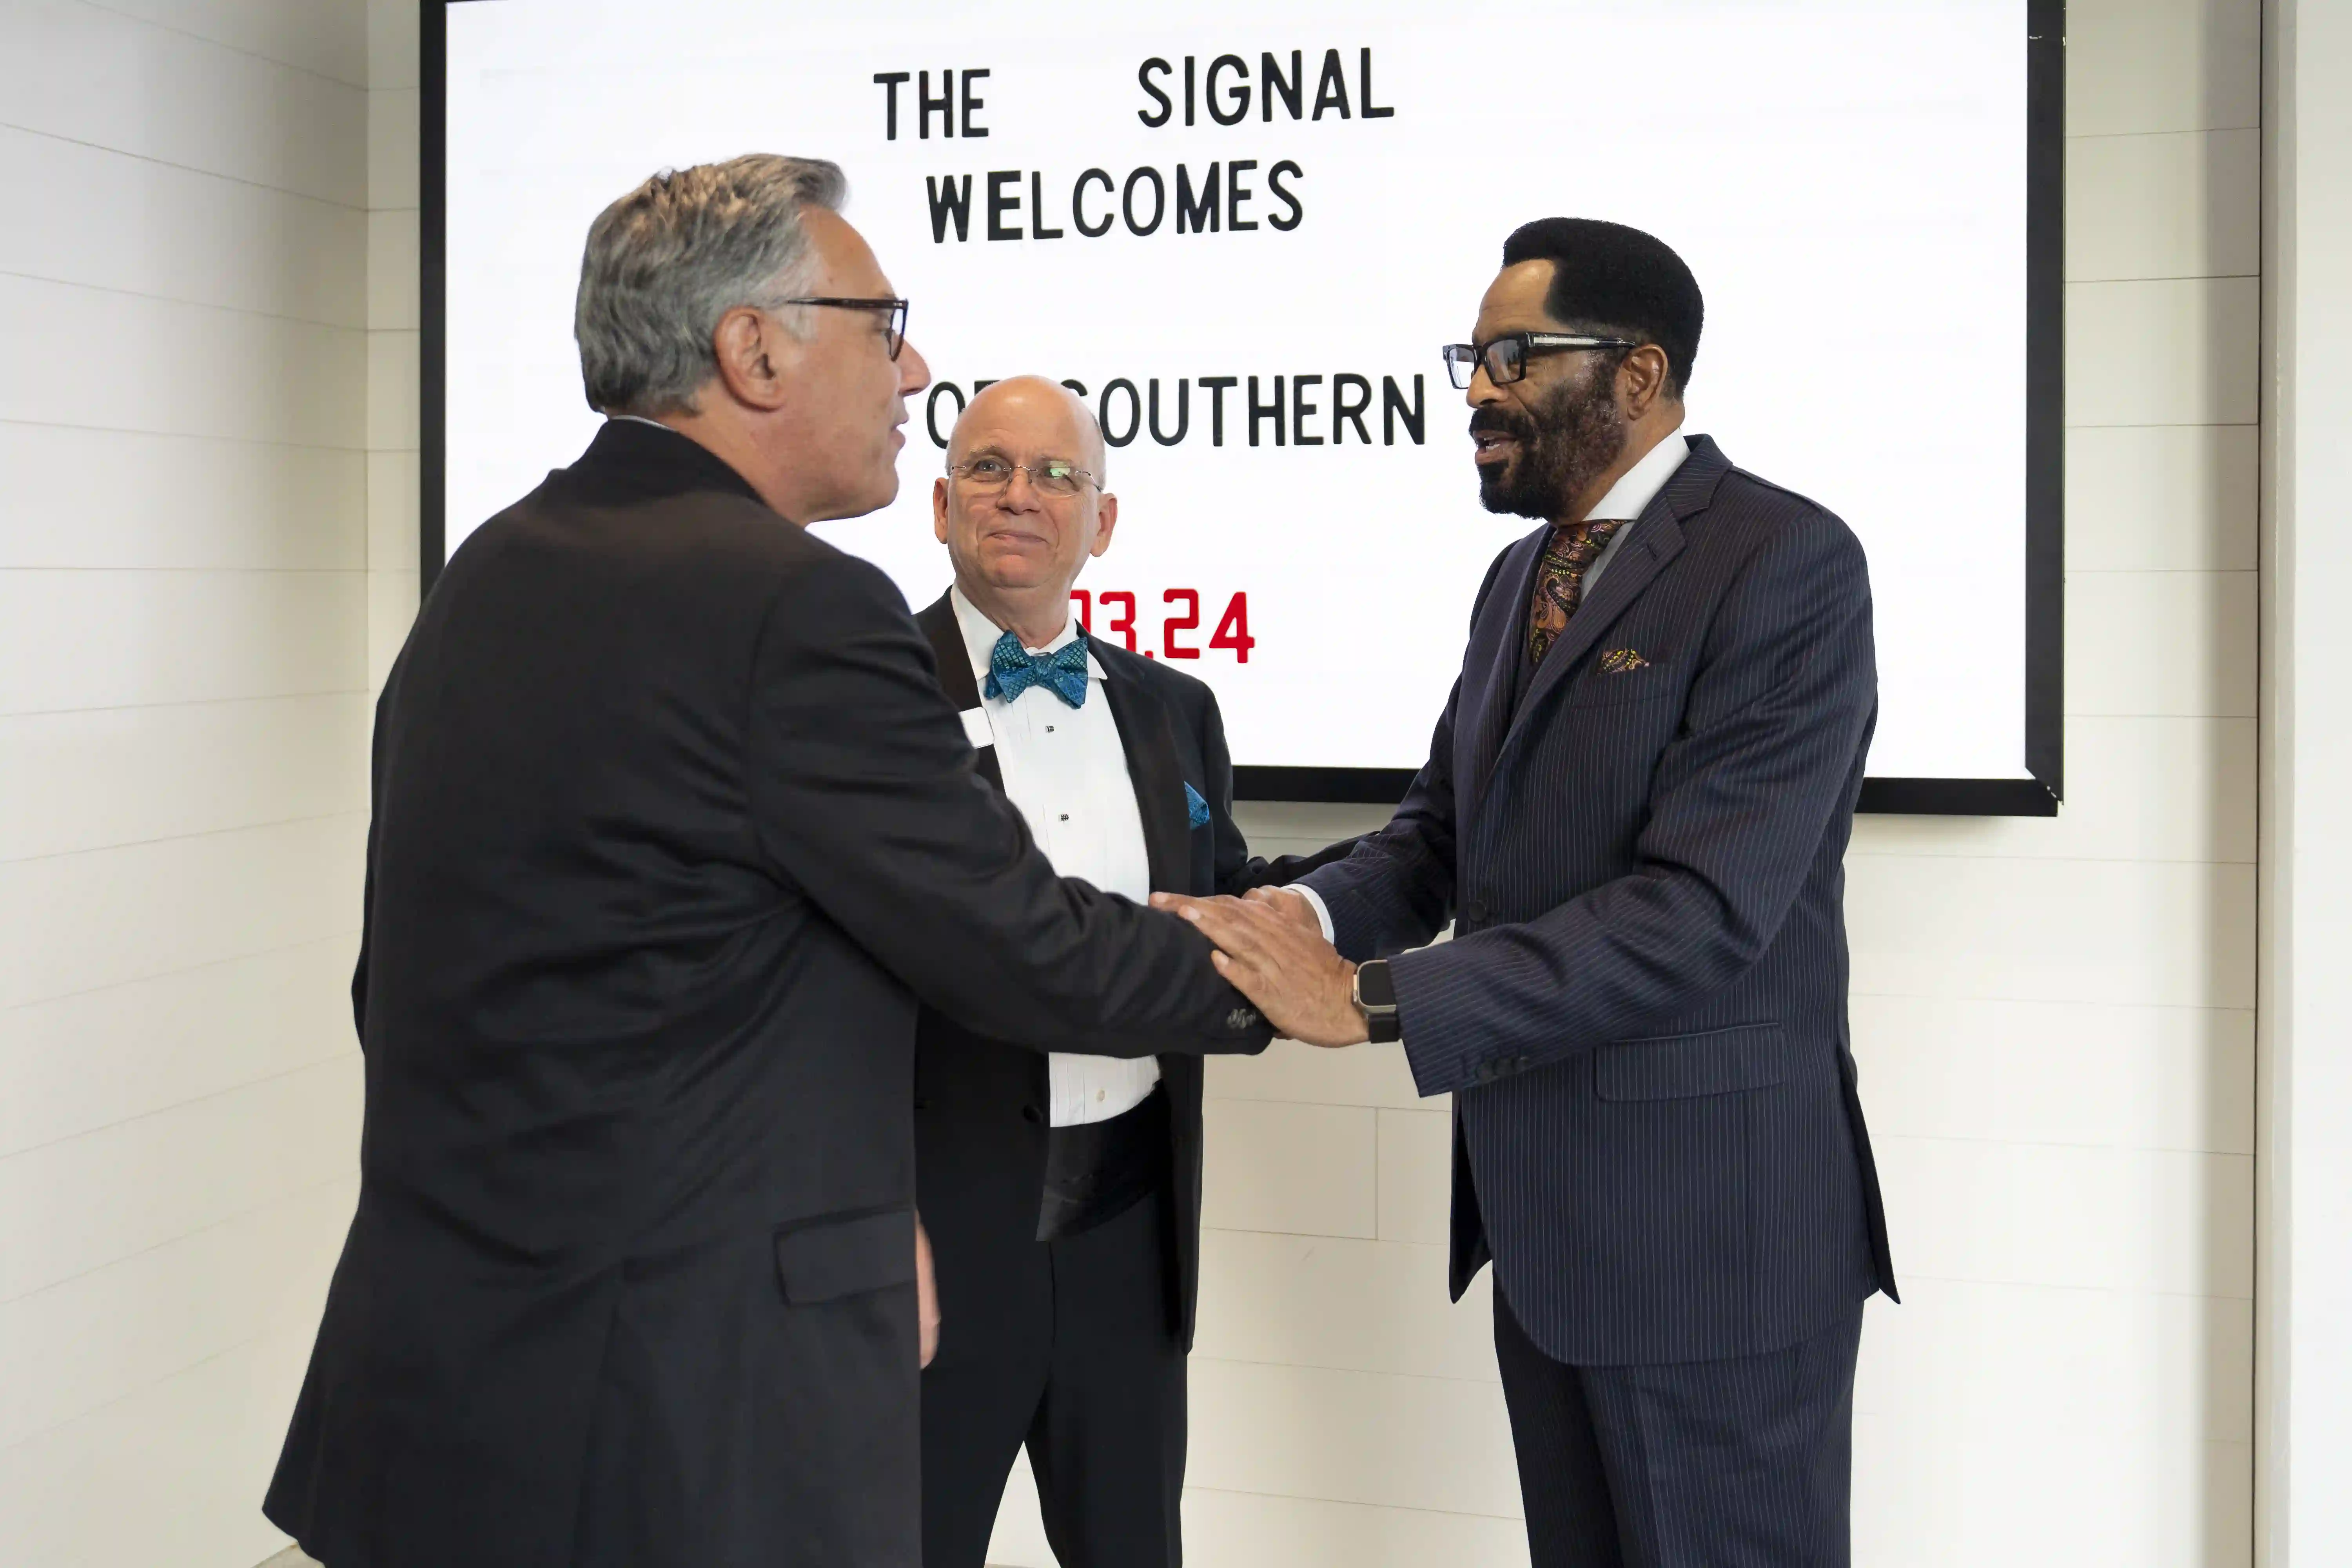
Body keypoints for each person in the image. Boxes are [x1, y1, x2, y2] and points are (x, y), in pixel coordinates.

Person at [261, 156, 1272, 1568]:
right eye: (883, 325)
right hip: (672, 1426)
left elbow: (411, 993)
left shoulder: (485, 573)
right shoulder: (799, 609)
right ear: (753, 350)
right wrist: (1317, 981)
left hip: (446, 1398)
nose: (914, 369)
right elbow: (1027, 950)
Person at [1160, 218, 1898, 1568]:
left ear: (1638, 373)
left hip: (1713, 1248)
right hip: (1551, 1237)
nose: (1477, 393)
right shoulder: (1520, 579)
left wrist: (1370, 1000)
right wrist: (1295, 922)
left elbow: (1700, 913)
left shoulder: (1785, 560)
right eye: (1472, 358)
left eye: (1514, 357)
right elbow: (1441, 838)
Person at [910, 377, 1346, 1568]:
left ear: (1102, 523)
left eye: (1058, 476)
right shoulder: (869, 698)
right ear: (942, 505)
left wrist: (1401, 868)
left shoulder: (1175, 708)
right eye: (990, 468)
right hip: (936, 1234)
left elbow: (1226, 893)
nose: (1021, 496)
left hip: (1129, 1229)